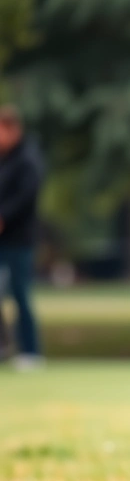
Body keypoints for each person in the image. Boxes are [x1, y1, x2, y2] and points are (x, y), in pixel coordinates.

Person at [0, 104, 44, 370]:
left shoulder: (28, 159)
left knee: (20, 294)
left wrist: (4, 216)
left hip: (19, 240)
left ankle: (31, 351)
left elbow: (26, 197)